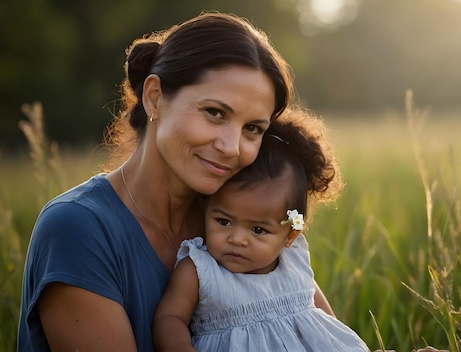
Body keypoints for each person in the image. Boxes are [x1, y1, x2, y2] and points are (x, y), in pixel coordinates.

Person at [17, 12, 334, 351]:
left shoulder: (240, 220)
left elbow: (319, 330)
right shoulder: (78, 228)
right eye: (215, 112)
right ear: (154, 97)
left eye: (252, 129)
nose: (230, 147)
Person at [152, 109, 370, 351]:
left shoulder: (293, 261)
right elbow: (169, 319)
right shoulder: (200, 270)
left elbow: (325, 318)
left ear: (290, 236)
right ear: (206, 209)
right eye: (223, 222)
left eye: (258, 229)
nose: (237, 239)